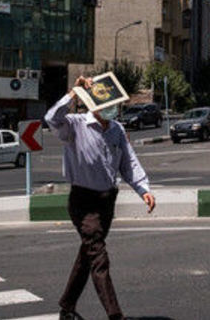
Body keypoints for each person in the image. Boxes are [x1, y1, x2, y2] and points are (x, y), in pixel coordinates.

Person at [44, 75, 156, 320]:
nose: (112, 109)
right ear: (94, 103)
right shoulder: (74, 126)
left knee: (88, 256)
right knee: (99, 258)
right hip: (83, 203)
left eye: (114, 105)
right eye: (106, 105)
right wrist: (74, 93)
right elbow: (51, 118)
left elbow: (129, 163)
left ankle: (67, 307)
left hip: (107, 202)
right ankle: (115, 315)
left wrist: (143, 189)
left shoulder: (116, 129)